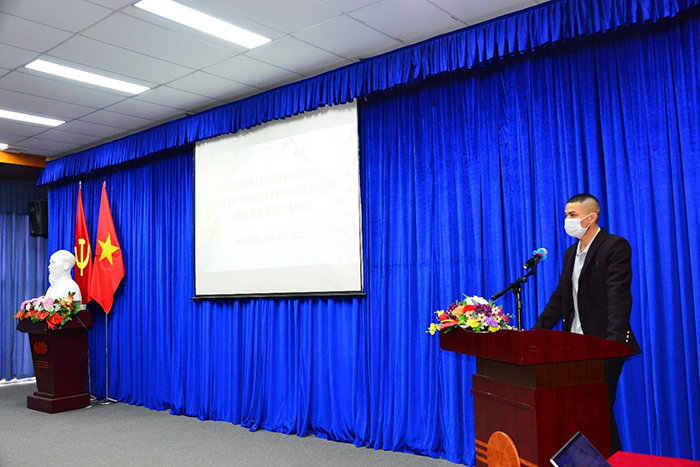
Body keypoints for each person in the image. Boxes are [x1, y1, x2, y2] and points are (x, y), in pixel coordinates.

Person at [532, 194, 640, 454]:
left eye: (573, 215)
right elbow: (560, 299)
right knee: (576, 410)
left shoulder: (614, 246)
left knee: (599, 410)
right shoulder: (571, 253)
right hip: (574, 346)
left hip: (604, 345)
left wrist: (612, 346)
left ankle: (612, 459)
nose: (567, 221)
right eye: (566, 215)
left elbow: (618, 298)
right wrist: (533, 335)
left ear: (591, 218)